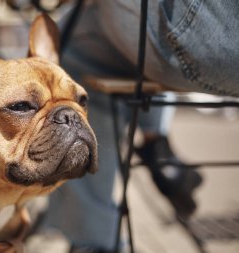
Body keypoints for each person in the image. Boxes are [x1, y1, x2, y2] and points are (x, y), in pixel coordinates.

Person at [36, 0, 239, 252]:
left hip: (214, 34)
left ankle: (93, 241)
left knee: (74, 42)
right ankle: (159, 149)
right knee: (124, 39)